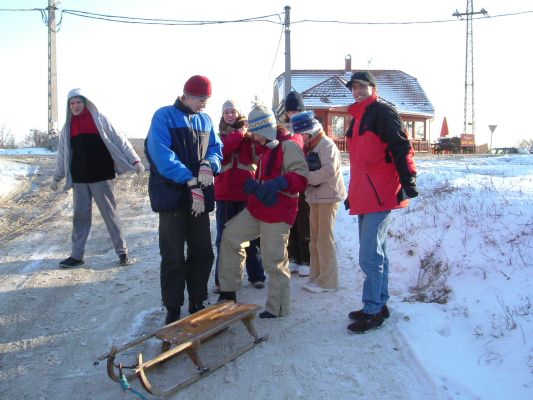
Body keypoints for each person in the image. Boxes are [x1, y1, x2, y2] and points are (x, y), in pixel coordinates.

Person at [218, 102, 308, 318]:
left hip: (278, 213)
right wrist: (257, 187)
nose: (254, 138)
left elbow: (301, 177)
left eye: (256, 134)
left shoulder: (288, 146)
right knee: (230, 235)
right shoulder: (266, 148)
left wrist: (279, 184)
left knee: (274, 260)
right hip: (257, 209)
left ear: (266, 129)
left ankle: (278, 307)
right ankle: (229, 291)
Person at [144, 75, 223, 325]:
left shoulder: (205, 120)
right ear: (186, 94)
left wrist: (210, 165)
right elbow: (162, 155)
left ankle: (197, 300)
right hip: (173, 198)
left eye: (206, 100)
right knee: (173, 255)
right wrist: (190, 180)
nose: (204, 104)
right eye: (201, 99)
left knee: (202, 252)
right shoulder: (164, 116)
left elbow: (215, 149)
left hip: (199, 200)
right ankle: (173, 306)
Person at [344, 71, 418, 334]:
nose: (357, 91)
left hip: (382, 194)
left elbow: (401, 147)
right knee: (380, 253)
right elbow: (360, 162)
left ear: (372, 88)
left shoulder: (383, 112)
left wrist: (409, 179)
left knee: (369, 256)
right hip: (365, 194)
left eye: (362, 86)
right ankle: (380, 303)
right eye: (354, 87)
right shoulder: (356, 117)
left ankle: (372, 310)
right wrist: (352, 193)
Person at [51, 88, 144, 268]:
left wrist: (135, 160)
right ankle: (77, 256)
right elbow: (63, 154)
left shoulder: (100, 120)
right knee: (80, 218)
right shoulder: (67, 128)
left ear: (85, 103)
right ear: (68, 106)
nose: (75, 106)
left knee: (110, 216)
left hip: (101, 177)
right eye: (72, 103)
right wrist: (57, 178)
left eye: (78, 102)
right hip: (79, 180)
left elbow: (119, 140)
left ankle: (122, 252)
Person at [290, 111, 346, 293]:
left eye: (302, 134)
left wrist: (305, 177)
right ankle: (316, 276)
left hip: (328, 197)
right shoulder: (312, 146)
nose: (301, 138)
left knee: (324, 240)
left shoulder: (326, 145)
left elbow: (329, 171)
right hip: (315, 197)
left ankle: (328, 281)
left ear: (310, 131)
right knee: (314, 240)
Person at [213, 100, 266, 293]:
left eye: (232, 111)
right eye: (226, 112)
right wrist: (239, 133)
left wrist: (248, 133)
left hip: (246, 194)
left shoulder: (250, 136)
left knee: (251, 236)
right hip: (225, 195)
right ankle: (221, 281)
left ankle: (257, 275)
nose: (229, 115)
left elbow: (260, 153)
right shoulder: (219, 136)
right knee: (224, 238)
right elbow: (225, 152)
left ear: (238, 113)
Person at [283, 91, 310, 277]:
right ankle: (292, 255)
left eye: (296, 111)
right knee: (290, 220)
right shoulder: (284, 130)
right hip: (289, 179)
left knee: (304, 221)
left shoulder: (308, 128)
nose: (293, 114)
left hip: (305, 179)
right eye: (290, 111)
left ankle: (306, 258)